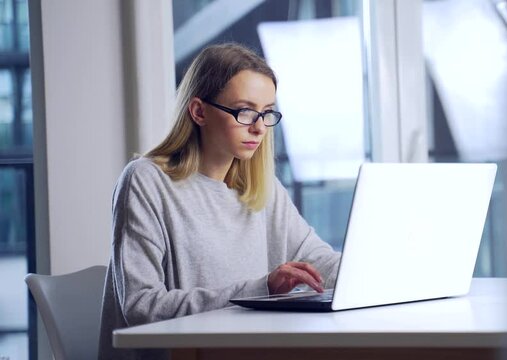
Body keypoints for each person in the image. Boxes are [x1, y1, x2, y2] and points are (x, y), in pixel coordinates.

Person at [98, 43, 341, 360]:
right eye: (245, 111)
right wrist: (261, 289)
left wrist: (377, 275)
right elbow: (141, 307)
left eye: (267, 113)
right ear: (199, 111)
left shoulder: (262, 189)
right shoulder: (146, 181)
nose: (259, 127)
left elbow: (318, 263)